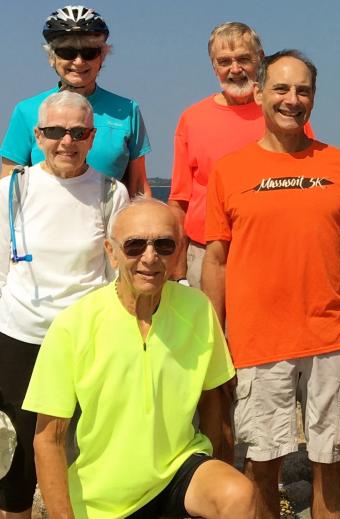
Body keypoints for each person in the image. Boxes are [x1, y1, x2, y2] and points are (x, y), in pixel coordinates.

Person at [203, 49, 340, 519]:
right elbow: (216, 259)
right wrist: (212, 332)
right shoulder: (229, 170)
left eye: (302, 90)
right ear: (259, 93)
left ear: (313, 99)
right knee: (262, 460)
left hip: (333, 339)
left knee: (333, 459)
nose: (292, 99)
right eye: (281, 88)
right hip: (257, 341)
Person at [21, 199, 255, 519]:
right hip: (103, 501)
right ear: (111, 252)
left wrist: (219, 470)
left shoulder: (197, 309)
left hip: (178, 471)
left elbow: (214, 407)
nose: (150, 257)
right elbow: (48, 439)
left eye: (163, 244)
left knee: (238, 494)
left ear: (179, 251)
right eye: (134, 246)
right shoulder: (74, 325)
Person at [0, 91, 128, 519]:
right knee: (16, 458)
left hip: (84, 341)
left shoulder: (112, 193)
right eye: (55, 132)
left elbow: (117, 276)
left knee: (82, 449)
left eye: (78, 132)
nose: (66, 142)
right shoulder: (12, 190)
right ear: (38, 135)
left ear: (92, 137)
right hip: (20, 337)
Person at [168, 22, 315, 287]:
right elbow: (180, 201)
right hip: (205, 255)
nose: (235, 69)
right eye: (224, 61)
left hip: (274, 253)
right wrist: (178, 272)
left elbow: (308, 184)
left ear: (260, 59)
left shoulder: (286, 113)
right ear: (214, 67)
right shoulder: (192, 119)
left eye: (244, 59)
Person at [0, 5, 151, 196]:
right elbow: (8, 184)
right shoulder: (27, 111)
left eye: (89, 53)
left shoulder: (128, 110)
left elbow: (138, 187)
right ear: (52, 58)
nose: (79, 61)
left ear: (102, 57)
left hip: (109, 222)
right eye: (67, 52)